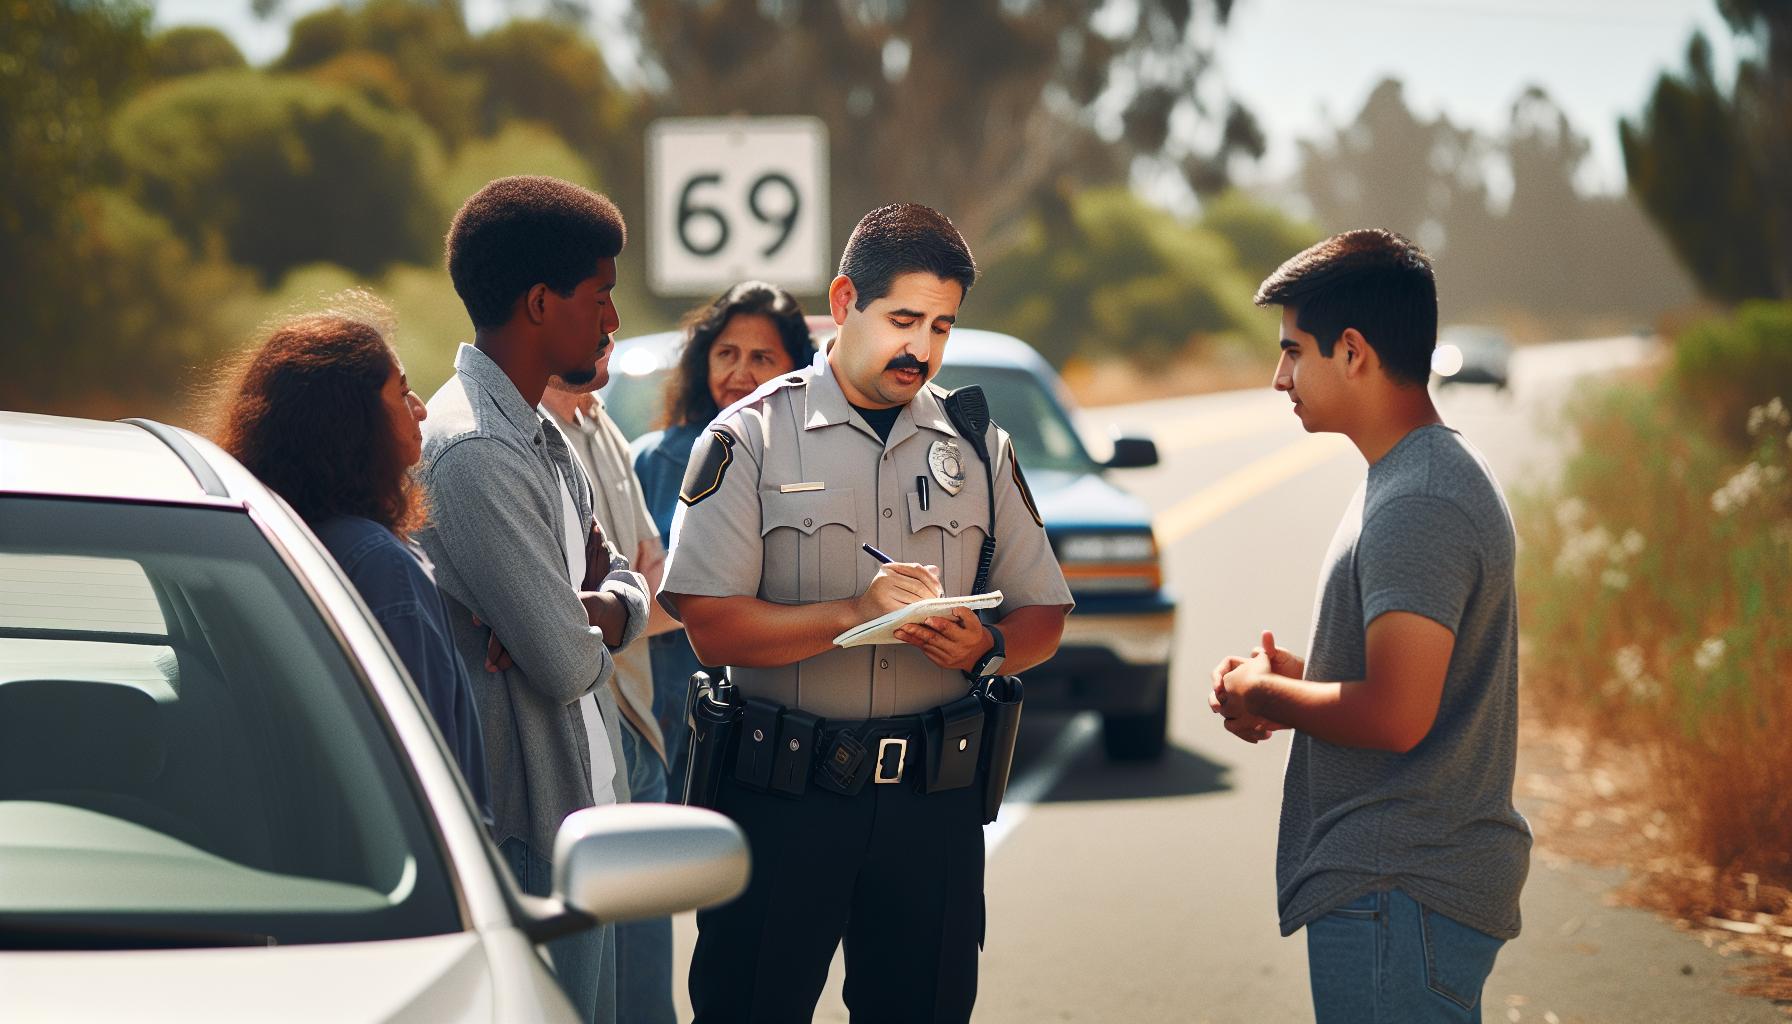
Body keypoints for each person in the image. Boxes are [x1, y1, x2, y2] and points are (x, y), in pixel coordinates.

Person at [659, 203, 1074, 1023]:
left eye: (943, 327)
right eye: (904, 319)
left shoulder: (976, 445)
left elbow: (1044, 617)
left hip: (933, 806)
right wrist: (853, 610)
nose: (921, 347)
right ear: (846, 300)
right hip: (783, 800)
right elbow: (711, 624)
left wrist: (984, 647)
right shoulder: (751, 438)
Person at [1208, 229, 1531, 1023]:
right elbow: (1413, 683)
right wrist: (1293, 682)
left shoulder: (1418, 497)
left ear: (1352, 351)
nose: (1278, 377)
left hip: (1401, 888)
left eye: (1292, 351)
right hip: (1406, 887)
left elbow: (1397, 714)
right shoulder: (1411, 474)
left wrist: (1270, 695)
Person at [416, 175, 650, 1024]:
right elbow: (560, 665)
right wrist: (584, 617)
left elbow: (624, 580)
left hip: (588, 819)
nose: (613, 321)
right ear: (542, 302)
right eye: (602, 298)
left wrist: (595, 605)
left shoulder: (543, 432)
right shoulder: (474, 450)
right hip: (530, 837)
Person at [213, 292, 491, 822]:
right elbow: (424, 774)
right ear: (351, 420)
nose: (422, 408)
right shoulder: (380, 565)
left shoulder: (265, 536)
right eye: (402, 392)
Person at [540, 357, 683, 1024]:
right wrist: (618, 602)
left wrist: (613, 603)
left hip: (638, 729)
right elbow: (557, 621)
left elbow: (648, 581)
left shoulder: (601, 424)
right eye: (593, 298)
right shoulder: (517, 436)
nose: (609, 323)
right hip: (577, 733)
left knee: (647, 988)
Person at [631, 280, 814, 798]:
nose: (739, 373)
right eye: (726, 354)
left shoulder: (822, 465)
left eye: (762, 357)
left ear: (796, 368)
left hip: (789, 719)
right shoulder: (654, 461)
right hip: (676, 719)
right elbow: (628, 592)